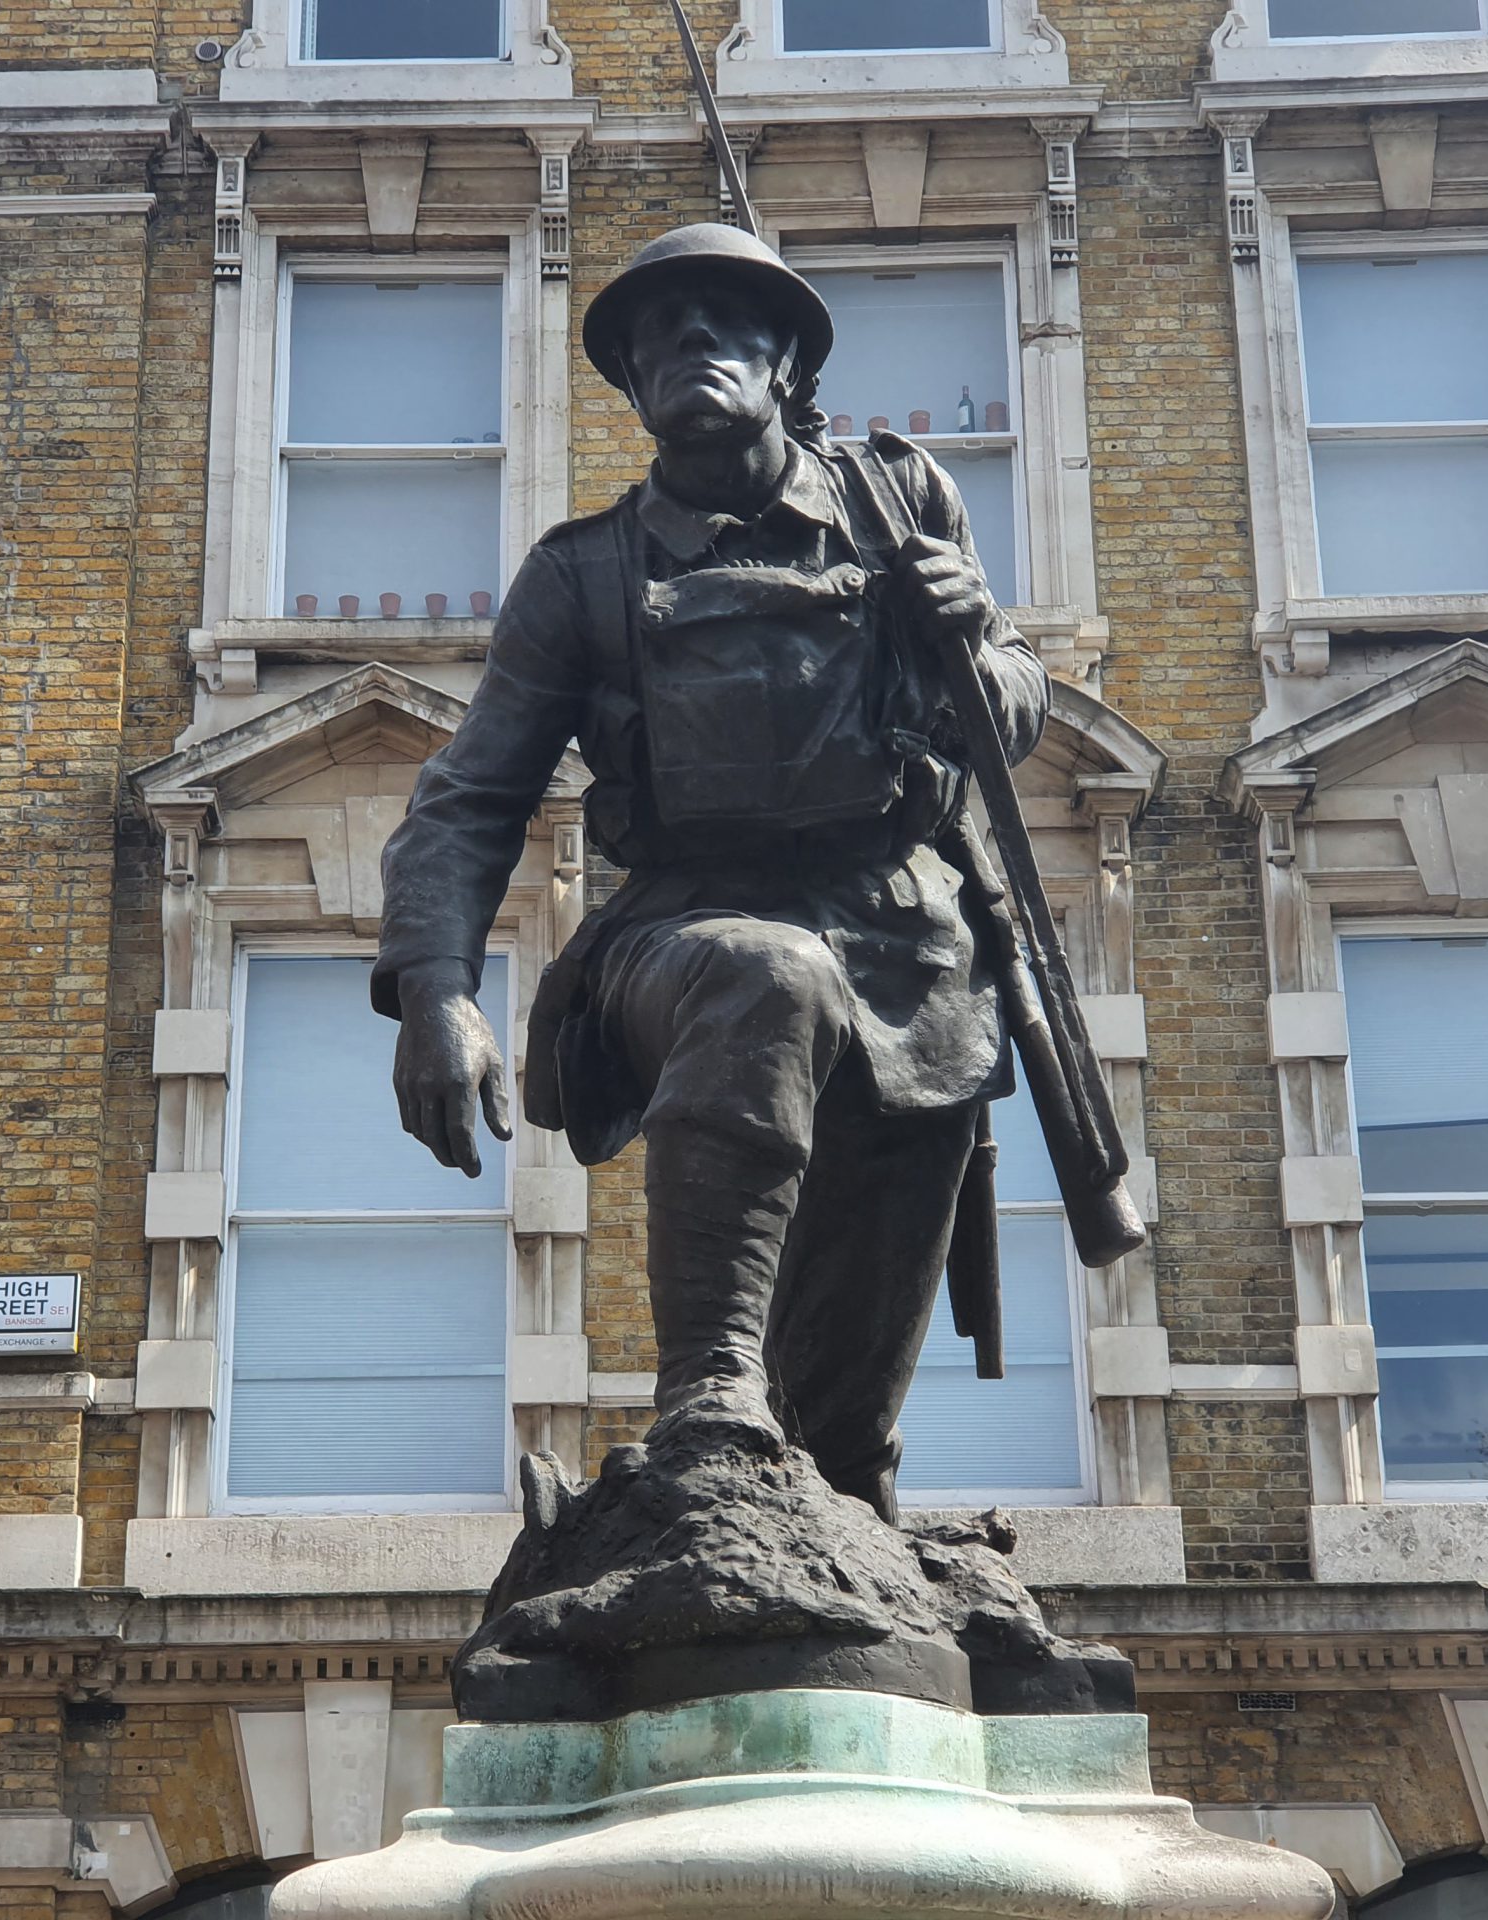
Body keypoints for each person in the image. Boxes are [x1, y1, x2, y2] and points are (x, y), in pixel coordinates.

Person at [372, 223, 1052, 1526]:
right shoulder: (581, 577)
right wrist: (434, 991)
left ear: (790, 360)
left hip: (911, 959)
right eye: (651, 335)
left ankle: (823, 1535)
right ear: (630, 386)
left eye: (721, 320)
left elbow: (1008, 717)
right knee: (766, 975)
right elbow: (468, 799)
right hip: (682, 937)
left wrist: (979, 640)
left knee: (843, 1439)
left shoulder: (901, 504)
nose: (683, 343)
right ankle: (709, 1394)